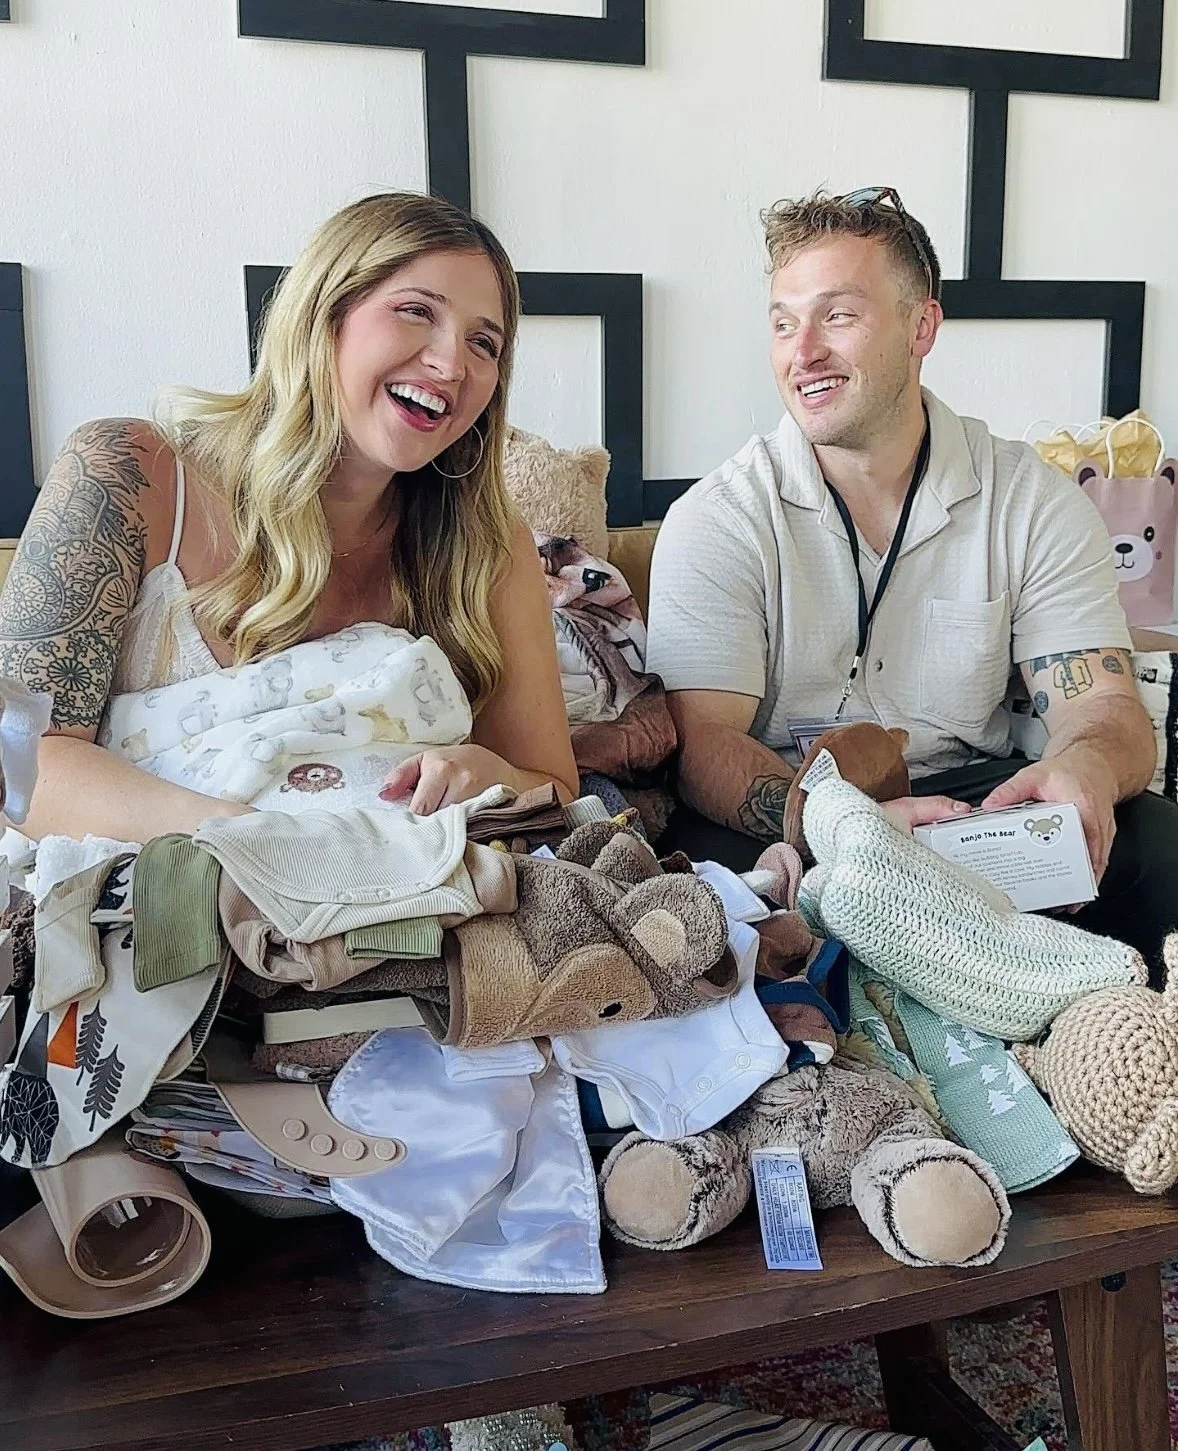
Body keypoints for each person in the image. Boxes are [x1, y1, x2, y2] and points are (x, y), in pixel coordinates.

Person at [646, 187, 1173, 977]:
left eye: (838, 315)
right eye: (784, 321)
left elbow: (1105, 706)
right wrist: (840, 820)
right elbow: (705, 745)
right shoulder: (717, 518)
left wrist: (1088, 768)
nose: (803, 352)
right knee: (698, 904)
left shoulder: (1032, 501)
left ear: (922, 325)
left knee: (1160, 847)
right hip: (792, 811)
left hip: (982, 804)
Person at [0, 192, 577, 842]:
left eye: (484, 342)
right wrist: (267, 849)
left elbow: (551, 783)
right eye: (416, 311)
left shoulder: (489, 547)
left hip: (410, 896)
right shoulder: (125, 473)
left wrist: (484, 771)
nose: (452, 363)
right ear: (323, 314)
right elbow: (20, 766)